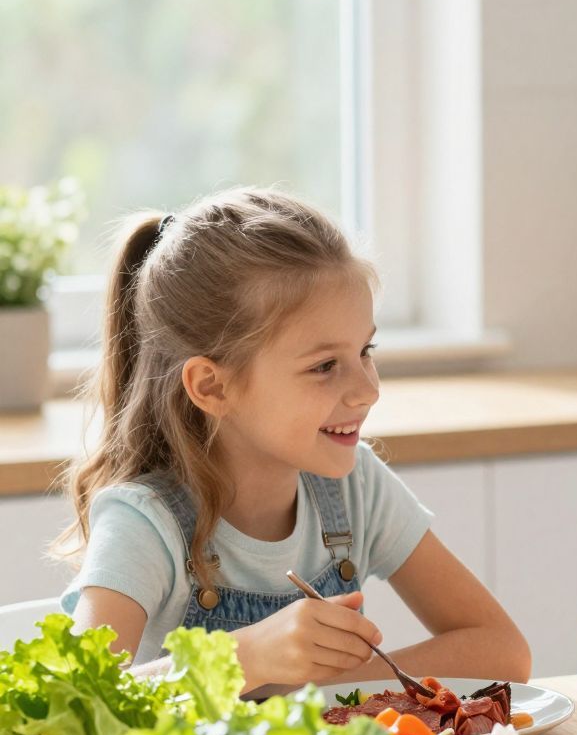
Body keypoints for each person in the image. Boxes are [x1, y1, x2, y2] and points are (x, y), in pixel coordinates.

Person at [58, 189, 528, 691]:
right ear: (213, 386)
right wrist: (245, 660)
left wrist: (326, 685)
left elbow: (502, 650)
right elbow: (82, 702)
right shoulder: (145, 524)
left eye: (365, 351)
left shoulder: (356, 490)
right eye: (325, 366)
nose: (368, 390)